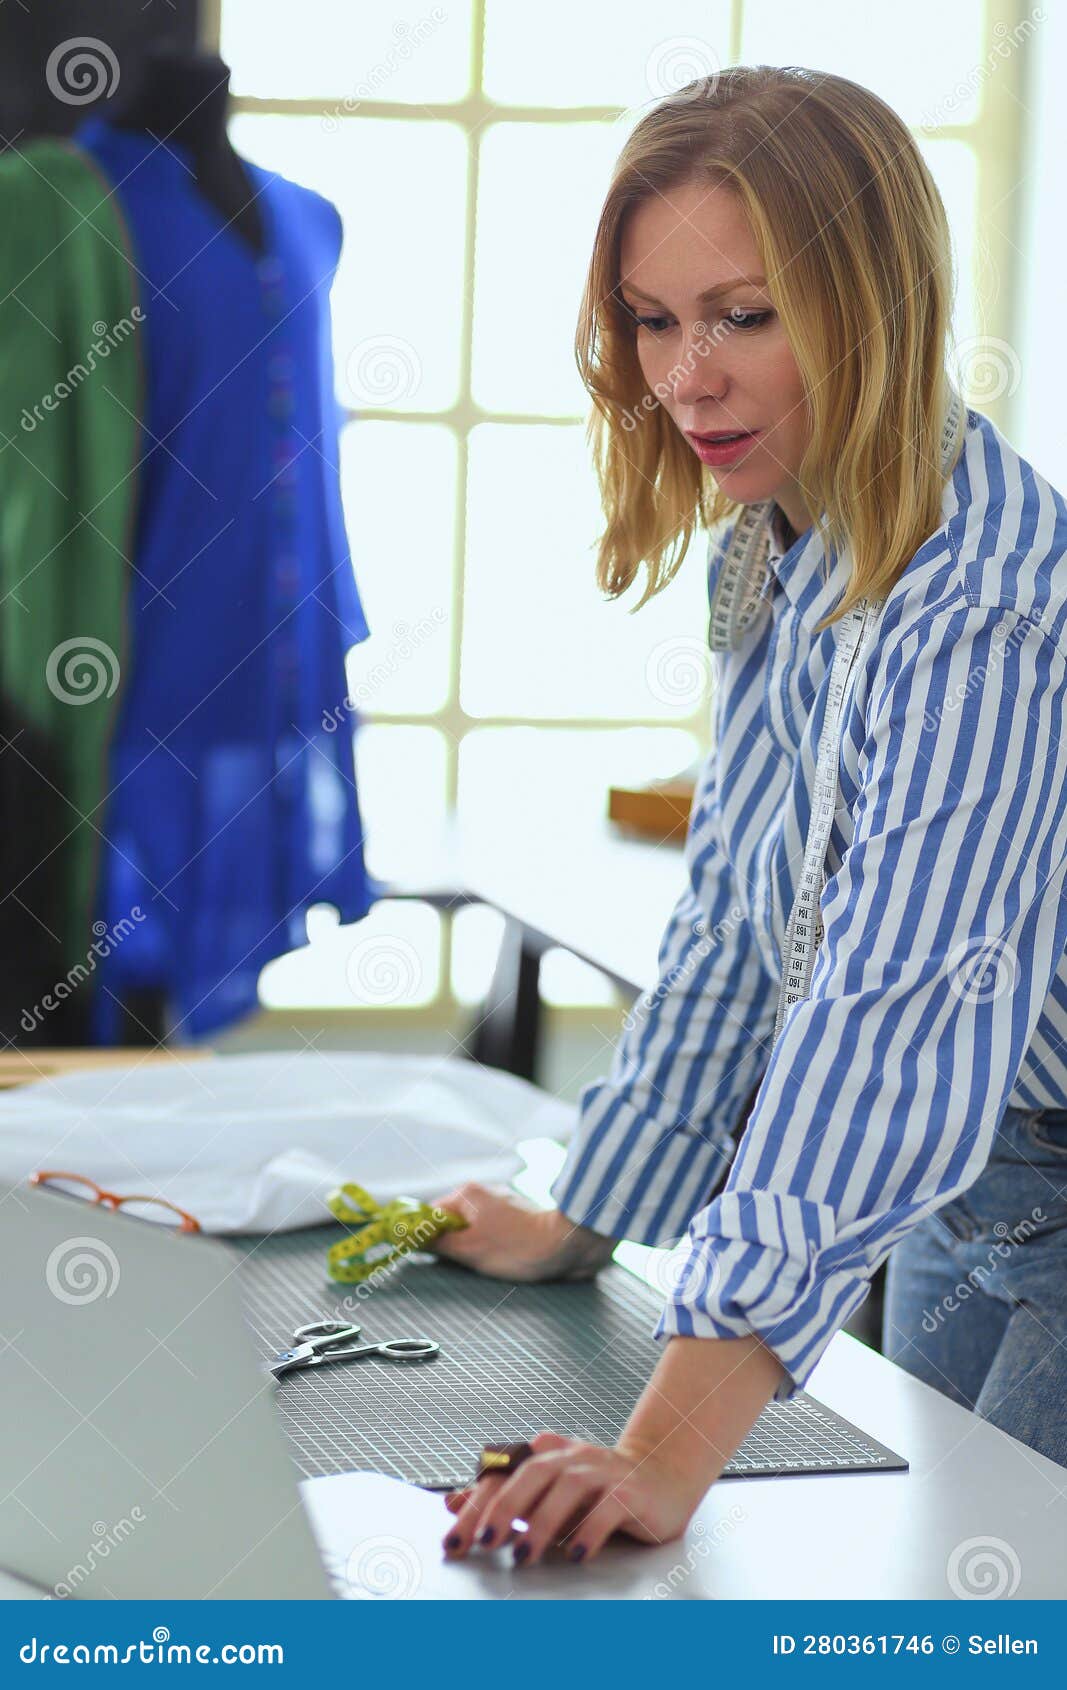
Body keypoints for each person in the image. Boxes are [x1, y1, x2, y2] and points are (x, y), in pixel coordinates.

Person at [429, 63, 1067, 1570]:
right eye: (653, 320)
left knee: (1007, 1620)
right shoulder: (781, 539)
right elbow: (745, 914)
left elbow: (892, 1022)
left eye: (746, 315)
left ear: (877, 306)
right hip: (967, 1188)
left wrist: (658, 1454)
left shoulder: (978, 610)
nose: (685, 377)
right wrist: (590, 1209)